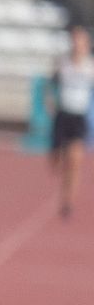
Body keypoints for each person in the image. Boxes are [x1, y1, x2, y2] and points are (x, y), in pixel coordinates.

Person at [49, 24, 93, 219]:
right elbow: (50, 85)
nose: (77, 44)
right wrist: (49, 101)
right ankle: (59, 161)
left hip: (78, 117)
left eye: (81, 40)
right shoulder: (63, 63)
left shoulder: (90, 67)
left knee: (75, 161)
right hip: (62, 116)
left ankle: (68, 201)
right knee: (57, 160)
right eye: (74, 39)